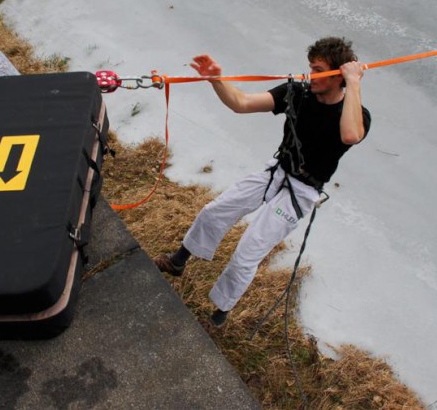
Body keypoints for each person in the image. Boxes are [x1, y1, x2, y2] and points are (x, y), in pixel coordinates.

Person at [154, 37, 371, 327]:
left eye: (318, 69)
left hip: (302, 191)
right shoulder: (297, 93)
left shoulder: (356, 114)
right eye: (310, 67)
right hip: (276, 171)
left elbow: (350, 136)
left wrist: (353, 83)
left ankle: (218, 315)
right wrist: (216, 80)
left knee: (246, 254)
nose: (310, 74)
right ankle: (178, 261)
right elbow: (242, 103)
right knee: (215, 211)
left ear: (338, 75)